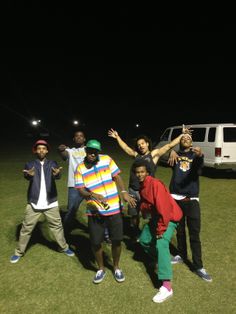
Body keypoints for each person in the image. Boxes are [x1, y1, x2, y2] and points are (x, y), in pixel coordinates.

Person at [74, 139, 136, 284]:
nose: (92, 154)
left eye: (95, 151)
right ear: (86, 150)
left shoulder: (107, 159)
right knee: (96, 242)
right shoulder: (80, 168)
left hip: (114, 208)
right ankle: (101, 268)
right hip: (94, 211)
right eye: (90, 151)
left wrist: (124, 191)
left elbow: (117, 176)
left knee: (117, 240)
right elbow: (80, 190)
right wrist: (92, 194)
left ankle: (116, 267)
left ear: (98, 152)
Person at [108, 128, 187, 240]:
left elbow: (169, 146)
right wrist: (117, 137)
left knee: (150, 215)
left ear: (147, 144)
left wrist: (181, 136)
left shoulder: (154, 155)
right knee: (134, 215)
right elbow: (125, 147)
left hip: (147, 191)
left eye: (143, 143)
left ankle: (152, 233)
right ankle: (135, 234)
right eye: (139, 144)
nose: (141, 146)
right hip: (133, 190)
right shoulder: (136, 155)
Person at [10, 140, 74, 263]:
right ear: (35, 150)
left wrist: (57, 174)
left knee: (57, 227)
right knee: (26, 228)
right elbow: (27, 176)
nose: (41, 150)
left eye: (44, 148)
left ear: (47, 151)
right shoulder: (30, 164)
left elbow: (58, 176)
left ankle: (64, 248)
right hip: (34, 202)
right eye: (39, 148)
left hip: (51, 202)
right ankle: (19, 252)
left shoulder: (52, 163)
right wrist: (29, 175)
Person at [133, 160, 183, 303]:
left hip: (170, 217)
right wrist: (142, 208)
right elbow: (147, 203)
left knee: (161, 244)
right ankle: (162, 260)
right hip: (158, 217)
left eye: (142, 171)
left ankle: (167, 287)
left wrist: (161, 229)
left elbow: (165, 207)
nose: (140, 174)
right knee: (143, 240)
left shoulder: (155, 184)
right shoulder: (142, 186)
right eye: (137, 172)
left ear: (147, 172)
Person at [168, 133, 212, 282]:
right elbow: (167, 151)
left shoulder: (195, 155)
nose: (186, 139)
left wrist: (200, 155)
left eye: (188, 138)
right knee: (179, 230)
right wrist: (172, 150)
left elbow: (199, 168)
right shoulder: (175, 154)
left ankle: (198, 266)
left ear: (192, 142)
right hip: (175, 198)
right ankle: (181, 255)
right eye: (183, 138)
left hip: (191, 198)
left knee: (194, 232)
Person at [58, 129, 87, 237]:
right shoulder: (70, 151)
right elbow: (64, 155)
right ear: (74, 139)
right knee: (71, 210)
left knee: (98, 208)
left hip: (90, 184)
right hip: (74, 185)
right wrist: (61, 150)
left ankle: (106, 234)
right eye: (76, 136)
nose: (79, 137)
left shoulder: (89, 150)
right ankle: (65, 233)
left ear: (84, 139)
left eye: (81, 136)